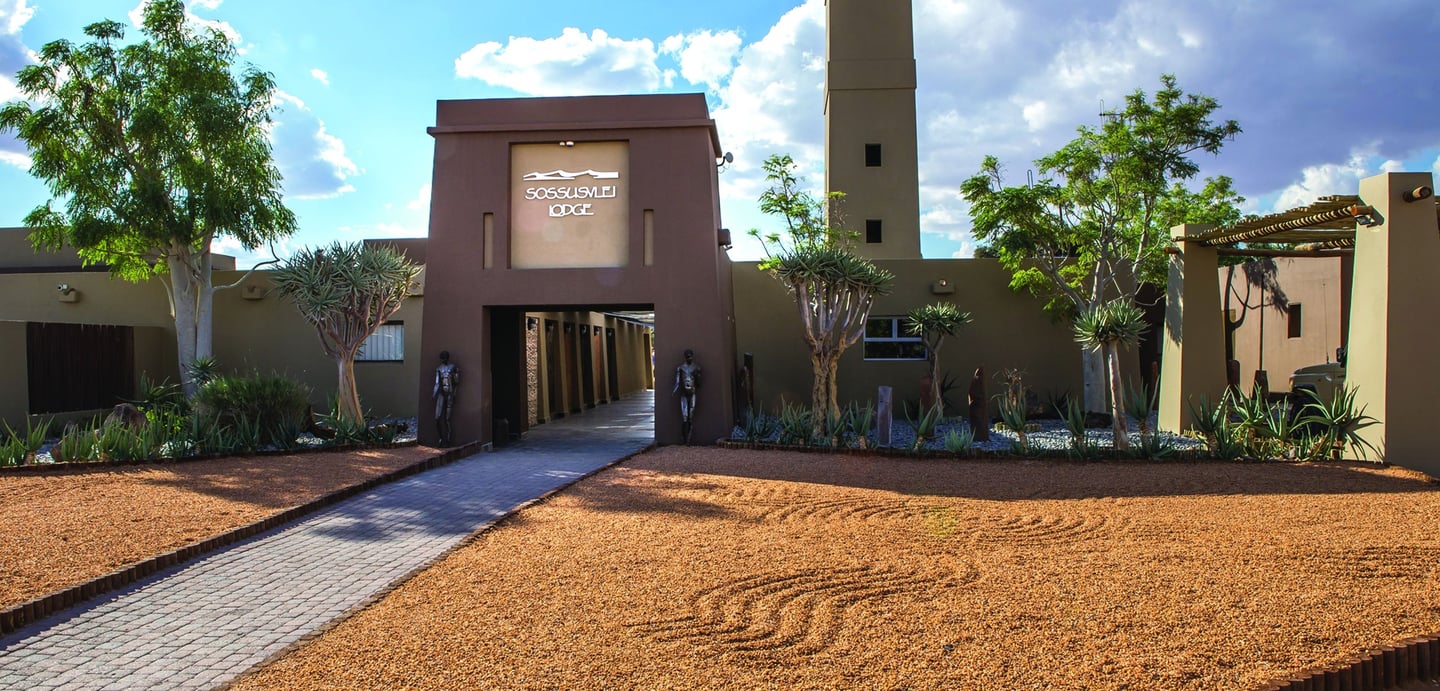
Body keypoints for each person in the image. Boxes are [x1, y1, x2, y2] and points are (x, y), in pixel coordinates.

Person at [673, 349, 701, 444]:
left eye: (690, 356)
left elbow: (699, 383)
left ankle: (689, 438)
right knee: (684, 416)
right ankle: (683, 438)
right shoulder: (680, 368)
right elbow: (677, 382)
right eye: (687, 356)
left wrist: (698, 376)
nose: (689, 358)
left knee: (691, 416)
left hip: (692, 393)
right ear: (685, 357)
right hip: (684, 394)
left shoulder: (696, 367)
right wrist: (674, 391)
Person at [433, 350, 460, 445]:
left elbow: (456, 382)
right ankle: (440, 438)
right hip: (441, 393)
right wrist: (434, 394)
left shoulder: (453, 367)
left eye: (445, 358)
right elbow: (437, 383)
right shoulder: (439, 369)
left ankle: (448, 440)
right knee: (437, 418)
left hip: (450, 393)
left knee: (447, 419)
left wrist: (454, 393)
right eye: (442, 359)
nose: (443, 360)